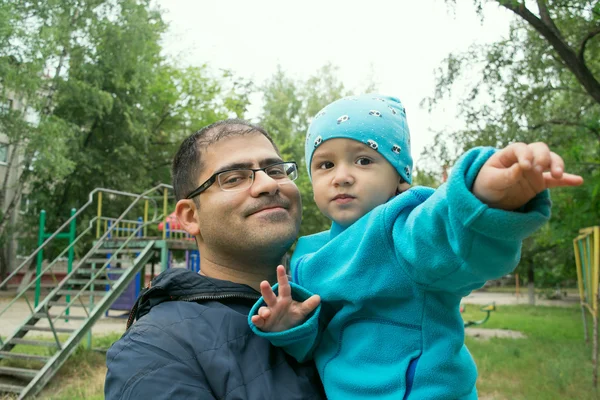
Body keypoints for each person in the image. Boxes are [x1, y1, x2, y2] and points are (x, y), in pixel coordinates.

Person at [248, 94, 583, 400]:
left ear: (399, 178)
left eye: (364, 160)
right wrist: (291, 327)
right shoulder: (308, 253)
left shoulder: (401, 228)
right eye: (325, 164)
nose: (342, 176)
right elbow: (322, 341)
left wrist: (481, 197)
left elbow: (444, 233)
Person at [104, 119, 325, 399]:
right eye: (234, 178)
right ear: (190, 216)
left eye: (276, 170)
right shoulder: (153, 350)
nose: (268, 184)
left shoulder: (338, 297)